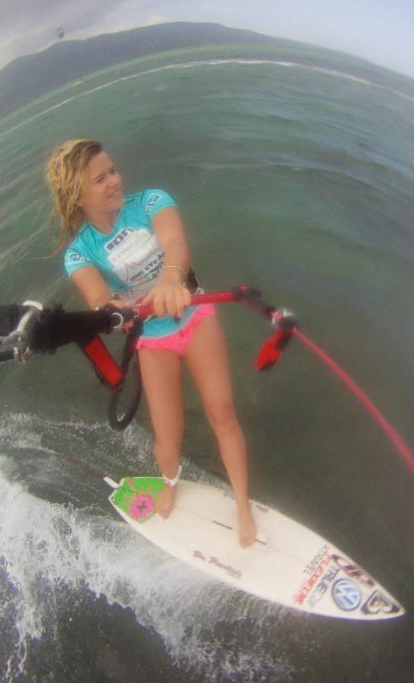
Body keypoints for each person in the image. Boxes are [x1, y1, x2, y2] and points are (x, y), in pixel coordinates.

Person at [45, 139, 257, 547]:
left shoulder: (150, 202)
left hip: (194, 315)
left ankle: (243, 504)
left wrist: (171, 279)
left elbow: (175, 243)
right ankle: (170, 481)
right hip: (151, 338)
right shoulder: (79, 253)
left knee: (223, 414)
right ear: (77, 197)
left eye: (112, 171)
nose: (115, 180)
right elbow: (98, 298)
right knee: (167, 437)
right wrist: (115, 309)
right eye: (100, 179)